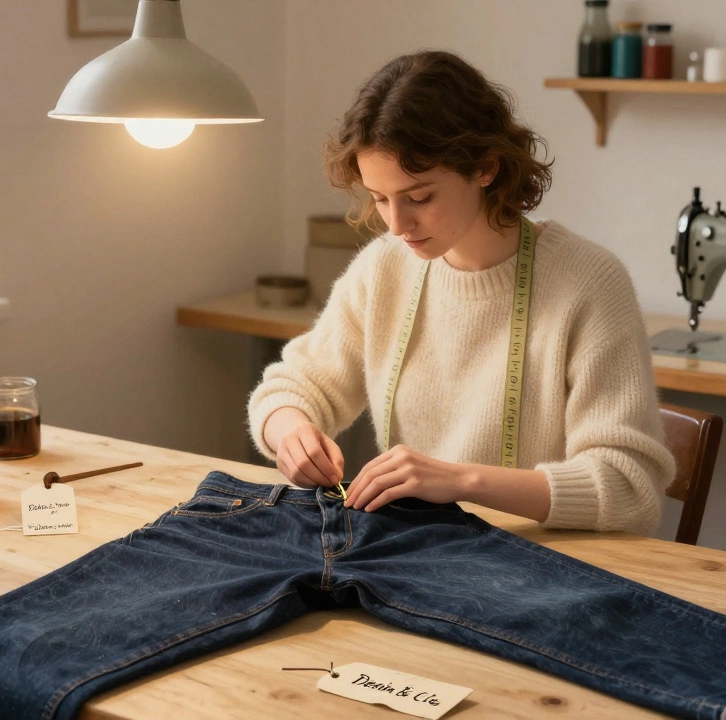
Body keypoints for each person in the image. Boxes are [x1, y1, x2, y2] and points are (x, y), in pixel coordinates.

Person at [247, 50, 675, 533]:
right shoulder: (385, 268)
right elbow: (292, 388)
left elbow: (628, 487)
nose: (397, 224)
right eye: (380, 198)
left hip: (548, 568)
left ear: (486, 167)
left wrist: (461, 481)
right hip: (422, 555)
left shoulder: (589, 283)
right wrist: (292, 433)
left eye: (420, 197)